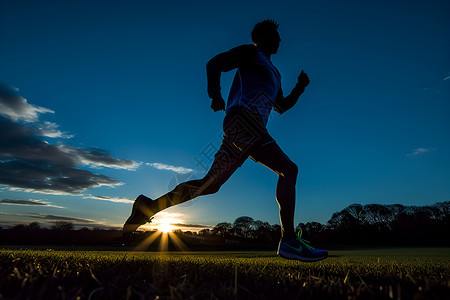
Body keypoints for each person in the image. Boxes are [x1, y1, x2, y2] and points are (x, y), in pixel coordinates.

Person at [123, 19, 328, 261]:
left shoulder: (275, 73)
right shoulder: (251, 53)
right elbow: (215, 63)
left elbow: (281, 106)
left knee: (209, 185)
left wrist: (300, 88)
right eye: (275, 35)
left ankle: (148, 207)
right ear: (261, 38)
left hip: (246, 129)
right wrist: (216, 95)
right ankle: (289, 241)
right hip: (243, 122)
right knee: (288, 170)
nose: (280, 39)